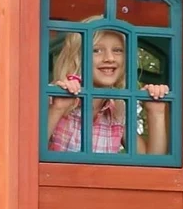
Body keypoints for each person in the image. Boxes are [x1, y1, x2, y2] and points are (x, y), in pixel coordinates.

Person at [46, 28, 169, 156]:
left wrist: (156, 112)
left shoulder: (118, 108)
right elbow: (29, 152)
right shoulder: (54, 95)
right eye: (96, 50)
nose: (110, 58)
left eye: (117, 50)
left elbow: (151, 161)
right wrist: (57, 109)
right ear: (77, 56)